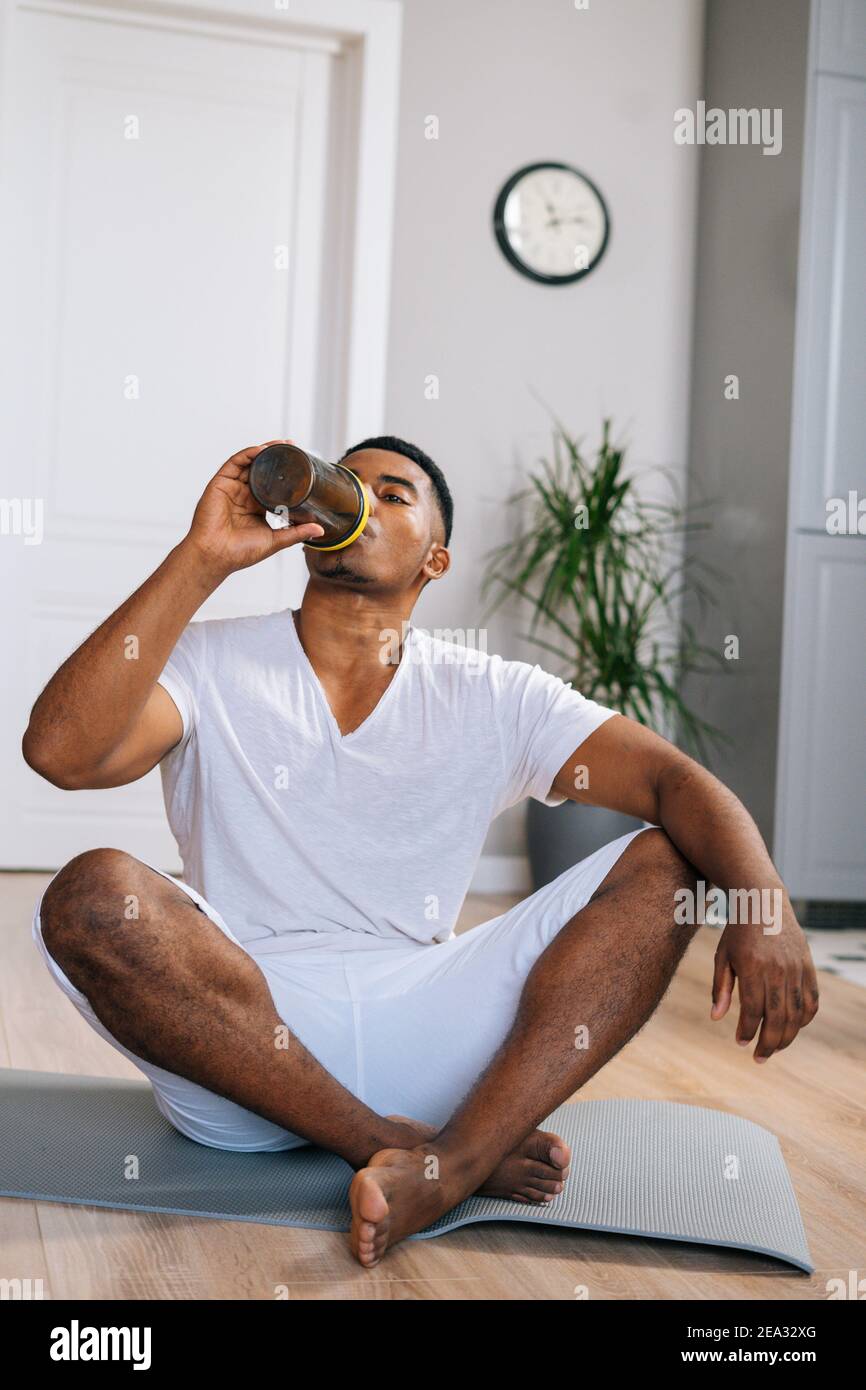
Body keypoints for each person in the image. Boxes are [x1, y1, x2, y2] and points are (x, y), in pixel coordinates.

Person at [22, 436, 819, 1268]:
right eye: (344, 484)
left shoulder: (494, 693)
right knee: (89, 893)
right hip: (243, 1042)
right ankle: (398, 1148)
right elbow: (60, 754)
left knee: (666, 861)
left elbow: (672, 783)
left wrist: (765, 905)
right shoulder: (212, 659)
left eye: (392, 494)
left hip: (434, 1026)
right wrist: (202, 558)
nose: (357, 500)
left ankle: (453, 1163)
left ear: (434, 560)